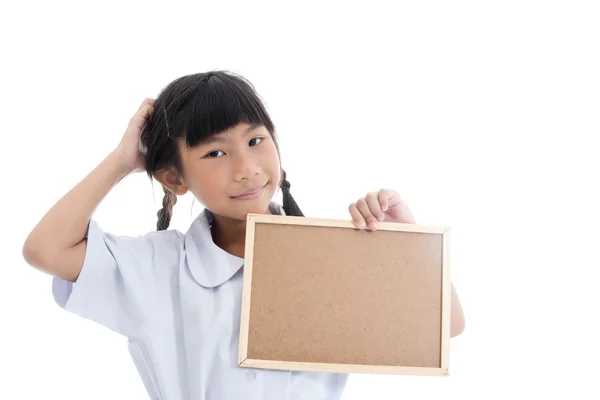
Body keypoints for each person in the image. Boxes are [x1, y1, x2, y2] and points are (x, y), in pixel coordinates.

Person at [22, 70, 465, 399]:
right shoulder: (158, 268)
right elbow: (46, 248)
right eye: (215, 152)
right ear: (174, 177)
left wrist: (406, 242)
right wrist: (121, 160)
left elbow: (446, 328)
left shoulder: (332, 256)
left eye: (256, 141)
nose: (246, 167)